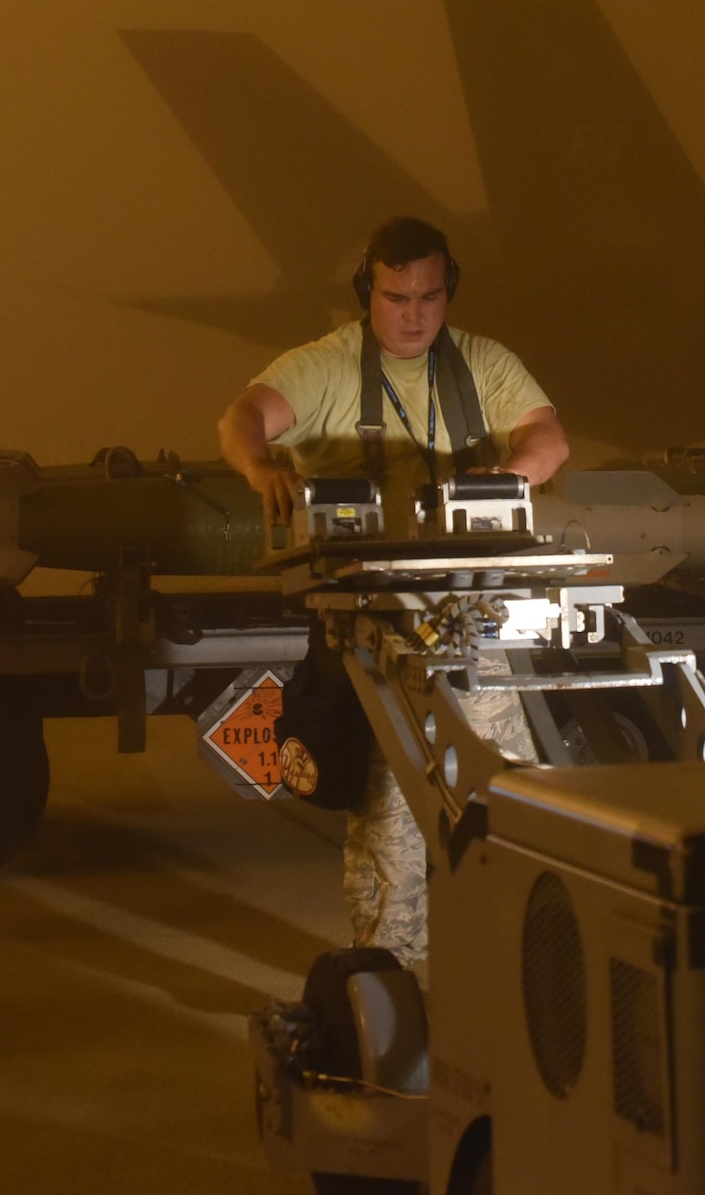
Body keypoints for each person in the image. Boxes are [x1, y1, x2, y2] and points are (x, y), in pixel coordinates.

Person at [218, 216, 568, 967]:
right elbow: (243, 418)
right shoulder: (326, 366)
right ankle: (396, 977)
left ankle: (509, 962)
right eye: (395, 297)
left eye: (429, 297)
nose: (412, 315)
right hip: (368, 624)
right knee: (388, 822)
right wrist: (260, 468)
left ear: (449, 294)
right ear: (366, 294)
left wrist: (511, 477)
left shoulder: (481, 364)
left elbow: (548, 437)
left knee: (506, 795)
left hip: (470, 617)